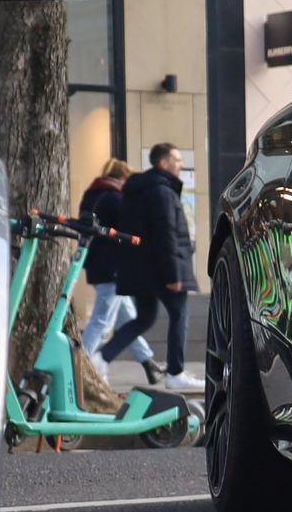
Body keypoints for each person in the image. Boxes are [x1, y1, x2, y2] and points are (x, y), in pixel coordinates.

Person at [106, 144, 205, 392]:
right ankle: (175, 372)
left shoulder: (138, 190)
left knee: (144, 318)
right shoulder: (162, 192)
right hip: (162, 269)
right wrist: (173, 274)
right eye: (177, 160)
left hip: (143, 268)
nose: (180, 164)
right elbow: (166, 234)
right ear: (163, 163)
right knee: (179, 314)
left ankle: (102, 358)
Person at [76, 159, 154, 377]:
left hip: (96, 264)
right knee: (101, 321)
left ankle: (148, 362)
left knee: (128, 319)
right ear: (122, 178)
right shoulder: (114, 197)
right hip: (114, 267)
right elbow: (130, 225)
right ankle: (80, 365)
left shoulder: (92, 194)